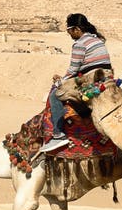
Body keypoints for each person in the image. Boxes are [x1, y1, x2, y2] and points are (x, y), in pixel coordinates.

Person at [42, 13, 114, 154]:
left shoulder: (79, 44)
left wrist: (60, 82)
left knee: (56, 95)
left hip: (91, 80)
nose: (69, 35)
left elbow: (73, 70)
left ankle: (58, 134)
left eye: (69, 31)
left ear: (76, 29)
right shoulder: (98, 40)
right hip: (106, 77)